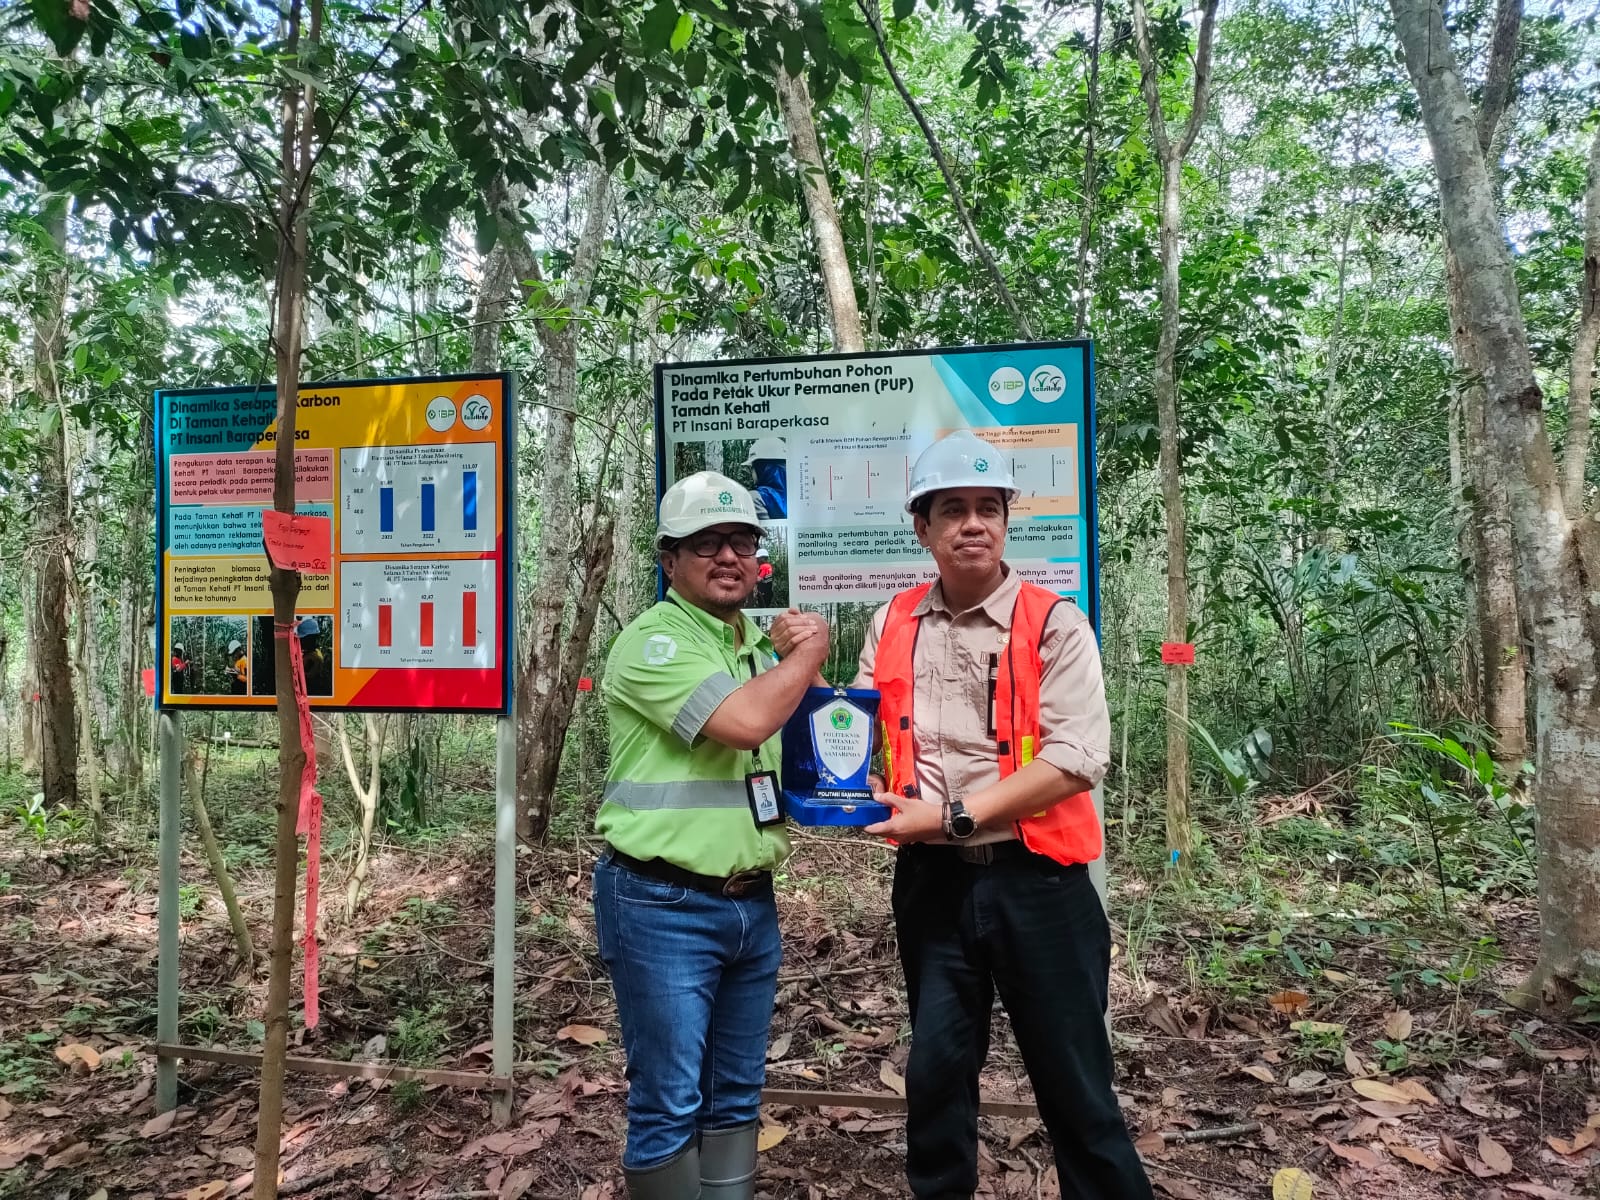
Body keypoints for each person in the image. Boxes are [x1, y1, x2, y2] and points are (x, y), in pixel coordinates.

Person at [776, 430, 1150, 1200]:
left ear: (1008, 520)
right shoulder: (894, 620)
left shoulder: (1054, 624)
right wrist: (846, 777)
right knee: (936, 1077)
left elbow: (1078, 758)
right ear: (923, 527)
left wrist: (950, 817)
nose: (972, 523)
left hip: (1039, 884)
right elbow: (862, 723)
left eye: (988, 507)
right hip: (933, 888)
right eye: (953, 509)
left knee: (1076, 1088)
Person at [593, 471, 829, 1200]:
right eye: (706, 543)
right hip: (661, 904)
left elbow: (794, 754)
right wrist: (807, 654)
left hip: (751, 905)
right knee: (669, 1101)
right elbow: (745, 723)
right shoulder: (653, 643)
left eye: (741, 542)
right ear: (669, 561)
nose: (728, 556)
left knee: (735, 1096)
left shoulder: (757, 645)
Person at [742, 437, 787, 520]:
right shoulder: (797, 494)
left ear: (761, 469)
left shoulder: (755, 498)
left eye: (752, 468)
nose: (751, 473)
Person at [296, 617, 332, 697]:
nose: (301, 642)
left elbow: (304, 679)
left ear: (310, 639)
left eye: (302, 639)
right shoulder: (313, 653)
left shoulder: (313, 658)